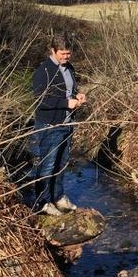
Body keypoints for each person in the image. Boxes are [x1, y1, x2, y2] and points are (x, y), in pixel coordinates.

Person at [30, 33, 86, 215]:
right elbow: (39, 100)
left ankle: (58, 197)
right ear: (52, 51)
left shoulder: (69, 68)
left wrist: (77, 96)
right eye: (62, 54)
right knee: (47, 165)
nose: (66, 57)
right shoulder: (42, 71)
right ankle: (43, 203)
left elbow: (70, 90)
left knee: (62, 164)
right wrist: (65, 103)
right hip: (49, 125)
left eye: (68, 54)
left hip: (67, 124)